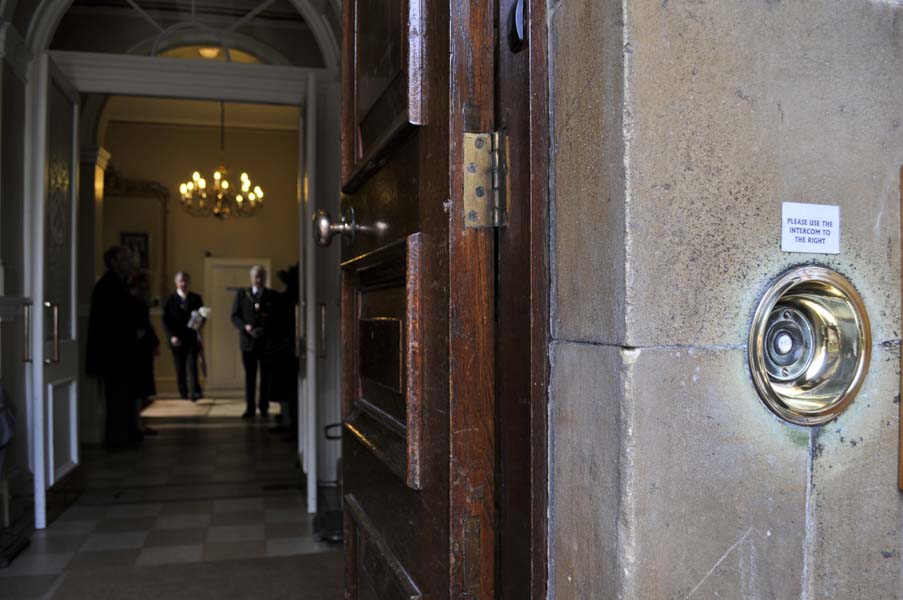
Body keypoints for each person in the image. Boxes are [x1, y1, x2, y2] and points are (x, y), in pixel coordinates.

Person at [86, 246, 142, 448]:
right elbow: (113, 322)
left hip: (121, 353)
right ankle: (118, 438)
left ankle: (126, 434)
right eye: (126, 259)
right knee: (117, 397)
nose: (130, 263)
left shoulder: (119, 284)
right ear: (114, 262)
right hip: (114, 355)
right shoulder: (108, 285)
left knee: (124, 395)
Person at [231, 265, 275, 419]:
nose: (259, 279)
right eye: (256, 276)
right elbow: (234, 316)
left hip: (266, 343)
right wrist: (245, 327)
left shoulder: (271, 295)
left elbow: (277, 319)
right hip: (248, 343)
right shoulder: (242, 294)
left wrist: (265, 329)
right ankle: (250, 408)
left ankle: (263, 407)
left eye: (261, 276)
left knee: (266, 376)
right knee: (250, 377)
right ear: (251, 278)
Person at [162, 272, 204, 400]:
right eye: (181, 281)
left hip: (191, 337)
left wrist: (199, 321)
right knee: (180, 367)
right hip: (176, 339)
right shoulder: (170, 299)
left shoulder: (196, 299)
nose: (183, 284)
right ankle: (183, 392)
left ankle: (194, 392)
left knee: (192, 365)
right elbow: (166, 321)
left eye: (185, 281)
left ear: (189, 283)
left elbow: (201, 317)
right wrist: (171, 336)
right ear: (176, 283)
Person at [128, 270, 159, 437]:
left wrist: (154, 343)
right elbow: (141, 328)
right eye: (143, 287)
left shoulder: (140, 303)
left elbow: (148, 326)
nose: (145, 290)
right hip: (137, 352)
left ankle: (139, 424)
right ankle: (136, 425)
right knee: (138, 390)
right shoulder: (133, 303)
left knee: (143, 391)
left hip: (143, 351)